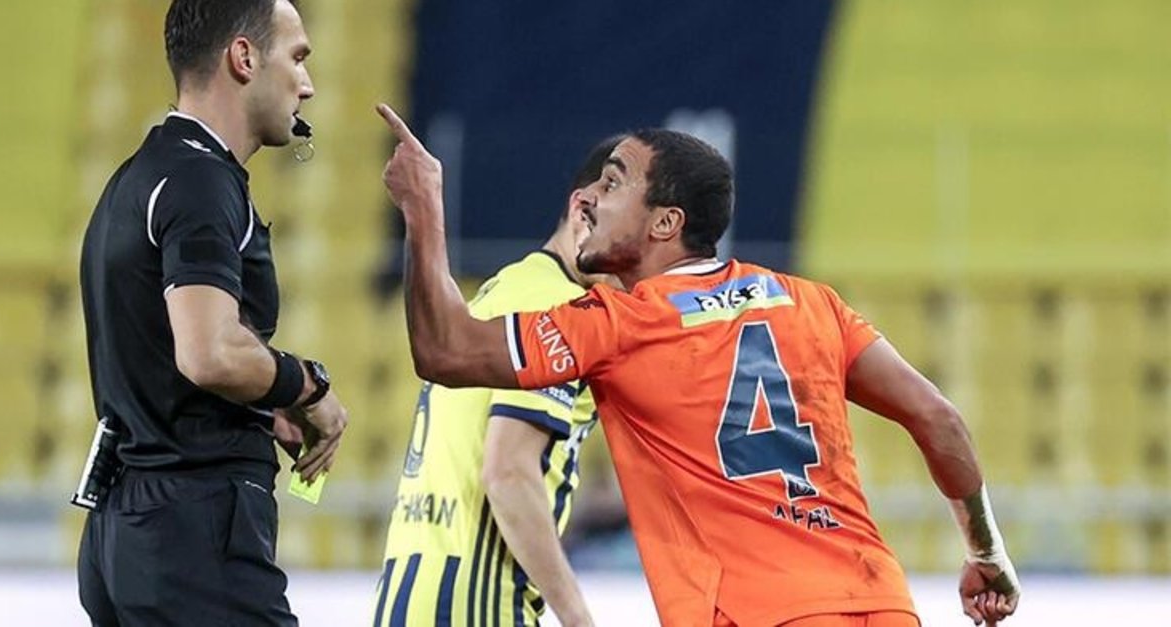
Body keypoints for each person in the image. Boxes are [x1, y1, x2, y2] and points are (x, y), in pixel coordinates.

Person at [376, 104, 1021, 627]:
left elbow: (445, 351)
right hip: (879, 602)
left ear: (665, 223)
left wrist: (423, 209)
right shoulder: (811, 302)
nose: (589, 198)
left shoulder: (621, 323)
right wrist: (987, 554)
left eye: (613, 182)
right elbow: (938, 417)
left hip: (749, 613)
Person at [76, 1, 350, 624]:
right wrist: (309, 387)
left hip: (124, 529)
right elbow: (209, 352)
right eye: (297, 58)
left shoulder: (135, 179)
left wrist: (261, 400)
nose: (307, 84)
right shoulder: (201, 181)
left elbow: (163, 354)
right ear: (244, 58)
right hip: (193, 529)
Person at [373, 137, 622, 627]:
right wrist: (578, 618)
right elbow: (508, 473)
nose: (642, 278)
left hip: (415, 590)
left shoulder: (508, 288)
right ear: (583, 213)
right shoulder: (555, 309)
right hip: (477, 599)